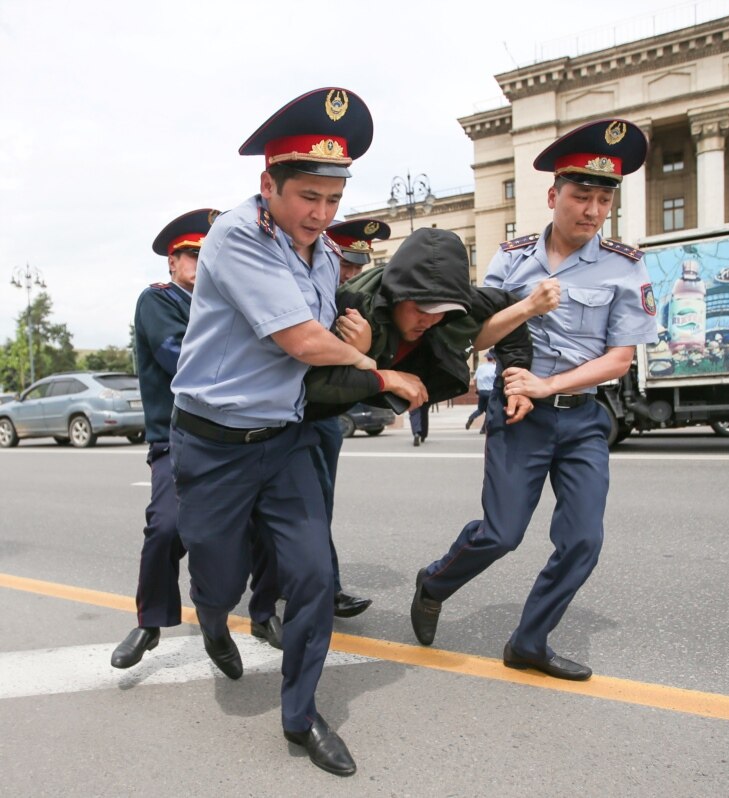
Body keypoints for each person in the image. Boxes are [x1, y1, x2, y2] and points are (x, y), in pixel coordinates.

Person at [169, 88, 402, 778]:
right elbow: (301, 341)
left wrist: (352, 332)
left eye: (333, 199)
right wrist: (375, 369)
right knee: (218, 576)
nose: (321, 215)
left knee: (312, 575)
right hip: (213, 443)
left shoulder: (324, 253)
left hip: (285, 438)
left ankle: (300, 716)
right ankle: (211, 618)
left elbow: (323, 330)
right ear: (266, 185)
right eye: (308, 197)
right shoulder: (235, 236)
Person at [409, 118, 658, 682]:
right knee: (501, 534)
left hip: (581, 417)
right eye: (580, 196)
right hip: (518, 413)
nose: (592, 210)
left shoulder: (624, 265)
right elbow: (476, 336)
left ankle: (529, 640)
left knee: (583, 541)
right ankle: (436, 582)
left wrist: (547, 384)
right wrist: (526, 309)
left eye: (602, 199)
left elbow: (620, 359)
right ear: (553, 196)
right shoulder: (513, 258)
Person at [110, 209, 283, 670]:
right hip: (178, 438)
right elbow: (181, 360)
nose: (203, 262)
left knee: (267, 526)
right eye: (193, 254)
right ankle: (150, 623)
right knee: (167, 526)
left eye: (210, 254)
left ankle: (263, 613)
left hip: (242, 436)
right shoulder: (159, 301)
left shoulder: (230, 299)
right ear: (173, 262)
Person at [302, 226, 559, 446]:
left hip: (347, 409)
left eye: (441, 311)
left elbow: (509, 309)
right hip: (304, 416)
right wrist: (377, 370)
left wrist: (518, 382)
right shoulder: (352, 307)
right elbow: (311, 383)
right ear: (395, 296)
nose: (429, 320)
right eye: (419, 309)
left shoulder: (457, 298)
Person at [311, 218, 391, 617]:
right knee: (299, 509)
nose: (352, 275)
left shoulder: (352, 303)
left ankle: (324, 586)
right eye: (346, 264)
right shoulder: (304, 290)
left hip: (326, 419)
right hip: (289, 415)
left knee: (318, 507)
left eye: (359, 267)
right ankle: (316, 587)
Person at [464, 351, 497, 432]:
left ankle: (471, 418)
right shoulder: (495, 368)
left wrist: (476, 388)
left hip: (482, 392)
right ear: (493, 359)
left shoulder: (480, 367)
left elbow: (475, 379)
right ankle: (484, 429)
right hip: (491, 392)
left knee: (480, 409)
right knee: (490, 410)